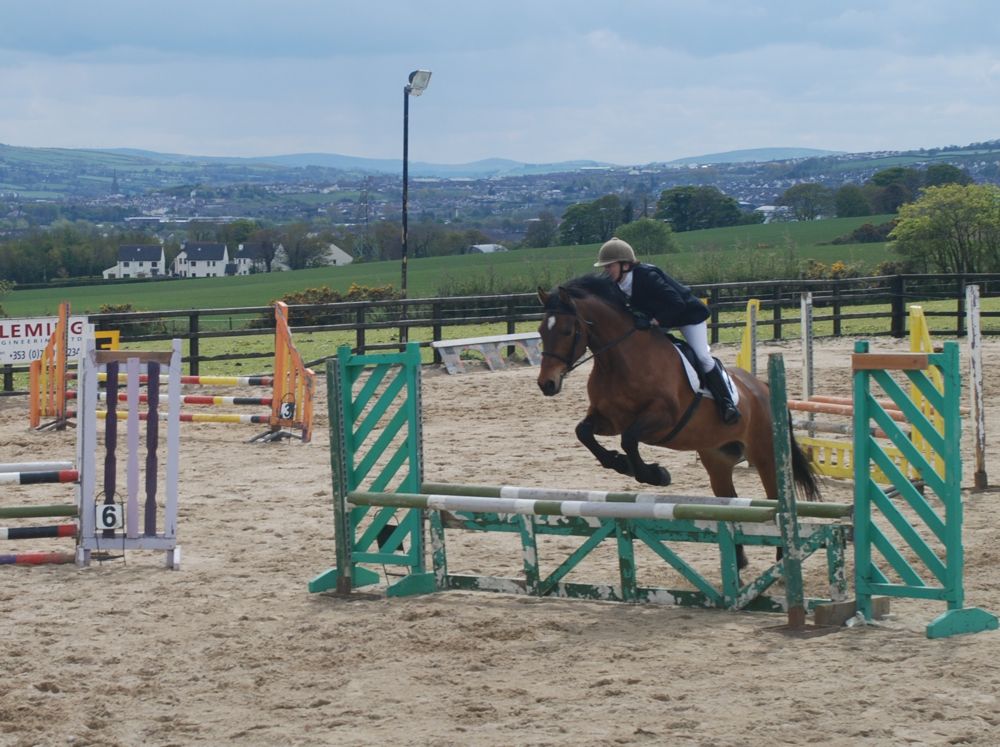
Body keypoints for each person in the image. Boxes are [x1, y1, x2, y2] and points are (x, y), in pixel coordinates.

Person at [594, 237, 740, 425]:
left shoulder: (647, 276)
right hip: (662, 319)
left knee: (702, 356)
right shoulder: (617, 284)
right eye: (605, 267)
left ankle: (727, 403)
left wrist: (655, 321)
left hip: (688, 316)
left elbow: (676, 303)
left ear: (625, 265)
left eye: (609, 266)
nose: (606, 270)